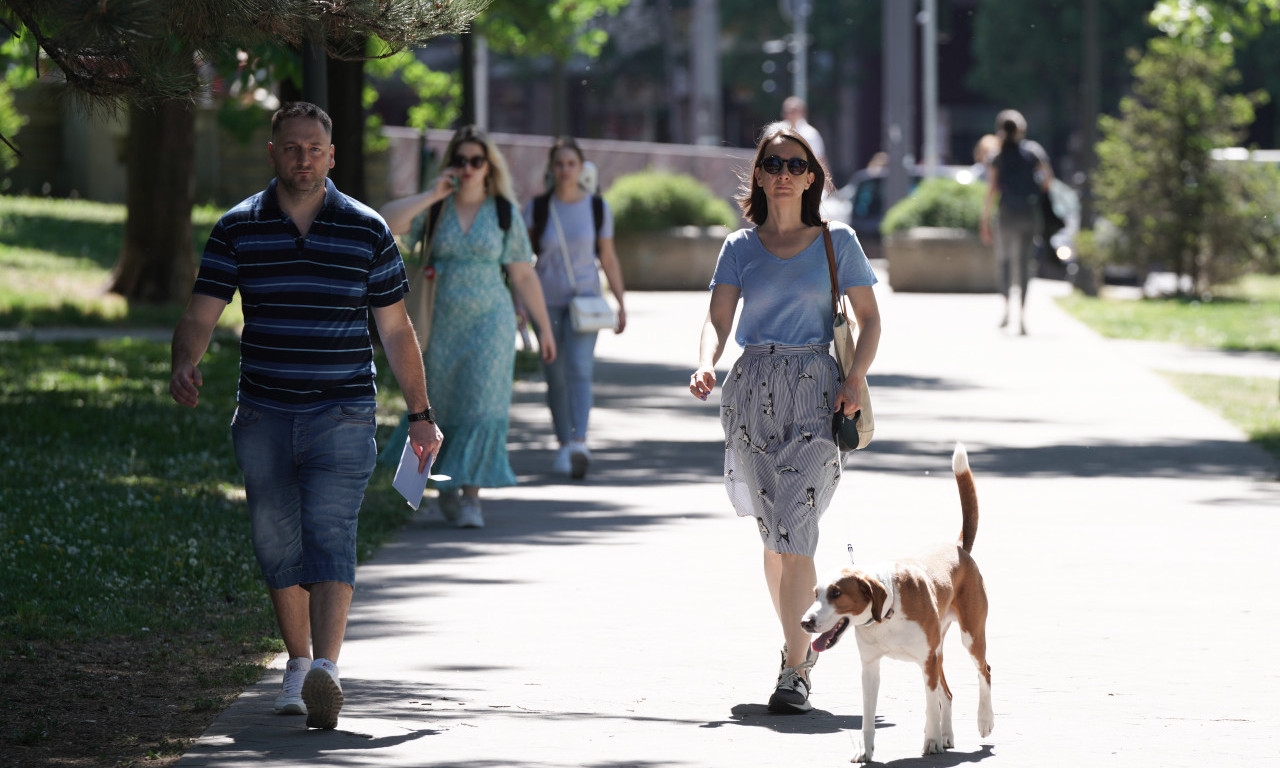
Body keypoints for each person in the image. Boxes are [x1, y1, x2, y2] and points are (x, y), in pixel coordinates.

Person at [169, 102, 444, 731]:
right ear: (273, 152)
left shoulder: (367, 229)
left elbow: (396, 330)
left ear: (332, 155)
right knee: (276, 540)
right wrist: (185, 361)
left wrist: (420, 413)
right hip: (262, 412)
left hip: (343, 411)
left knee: (330, 534)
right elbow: (202, 311)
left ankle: (325, 669)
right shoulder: (237, 227)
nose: (303, 159)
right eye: (291, 148)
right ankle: (297, 664)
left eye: (314, 149)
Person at [689, 122, 881, 714]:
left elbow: (870, 320)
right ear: (759, 174)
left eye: (796, 165)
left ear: (812, 177)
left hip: (818, 392)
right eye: (773, 164)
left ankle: (796, 671)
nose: (784, 175)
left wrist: (854, 377)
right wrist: (705, 363)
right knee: (775, 538)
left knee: (796, 530)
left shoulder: (837, 241)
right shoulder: (739, 247)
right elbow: (718, 319)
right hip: (751, 390)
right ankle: (795, 649)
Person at [380, 125, 556, 529]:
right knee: (442, 404)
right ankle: (445, 485)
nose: (468, 168)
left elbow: (523, 274)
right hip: (439, 321)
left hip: (491, 323)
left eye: (477, 160)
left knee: (481, 405)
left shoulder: (504, 211)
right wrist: (433, 194)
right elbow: (387, 221)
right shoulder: (437, 208)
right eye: (461, 160)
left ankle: (472, 497)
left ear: (489, 166)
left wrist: (544, 329)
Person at [523, 136, 627, 479]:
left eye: (571, 163)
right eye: (559, 164)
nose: (565, 170)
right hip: (545, 302)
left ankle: (580, 442)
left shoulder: (597, 207)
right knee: (555, 374)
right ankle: (563, 444)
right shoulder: (537, 208)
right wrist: (519, 305)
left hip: (586, 302)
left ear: (581, 168)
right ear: (551, 169)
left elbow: (608, 257)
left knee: (580, 369)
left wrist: (621, 301)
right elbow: (521, 262)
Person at [980, 109, 1053, 335]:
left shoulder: (997, 156)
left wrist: (985, 221)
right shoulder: (1033, 152)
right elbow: (1048, 180)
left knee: (1004, 262)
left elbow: (991, 190)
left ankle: (1006, 309)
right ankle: (1021, 316)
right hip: (1029, 213)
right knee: (1024, 264)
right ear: (1021, 129)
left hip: (1006, 214)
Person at [781, 96, 826, 166]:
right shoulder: (775, 130)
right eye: (787, 111)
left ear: (801, 112)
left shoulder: (811, 133)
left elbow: (819, 158)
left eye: (793, 111)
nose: (789, 114)